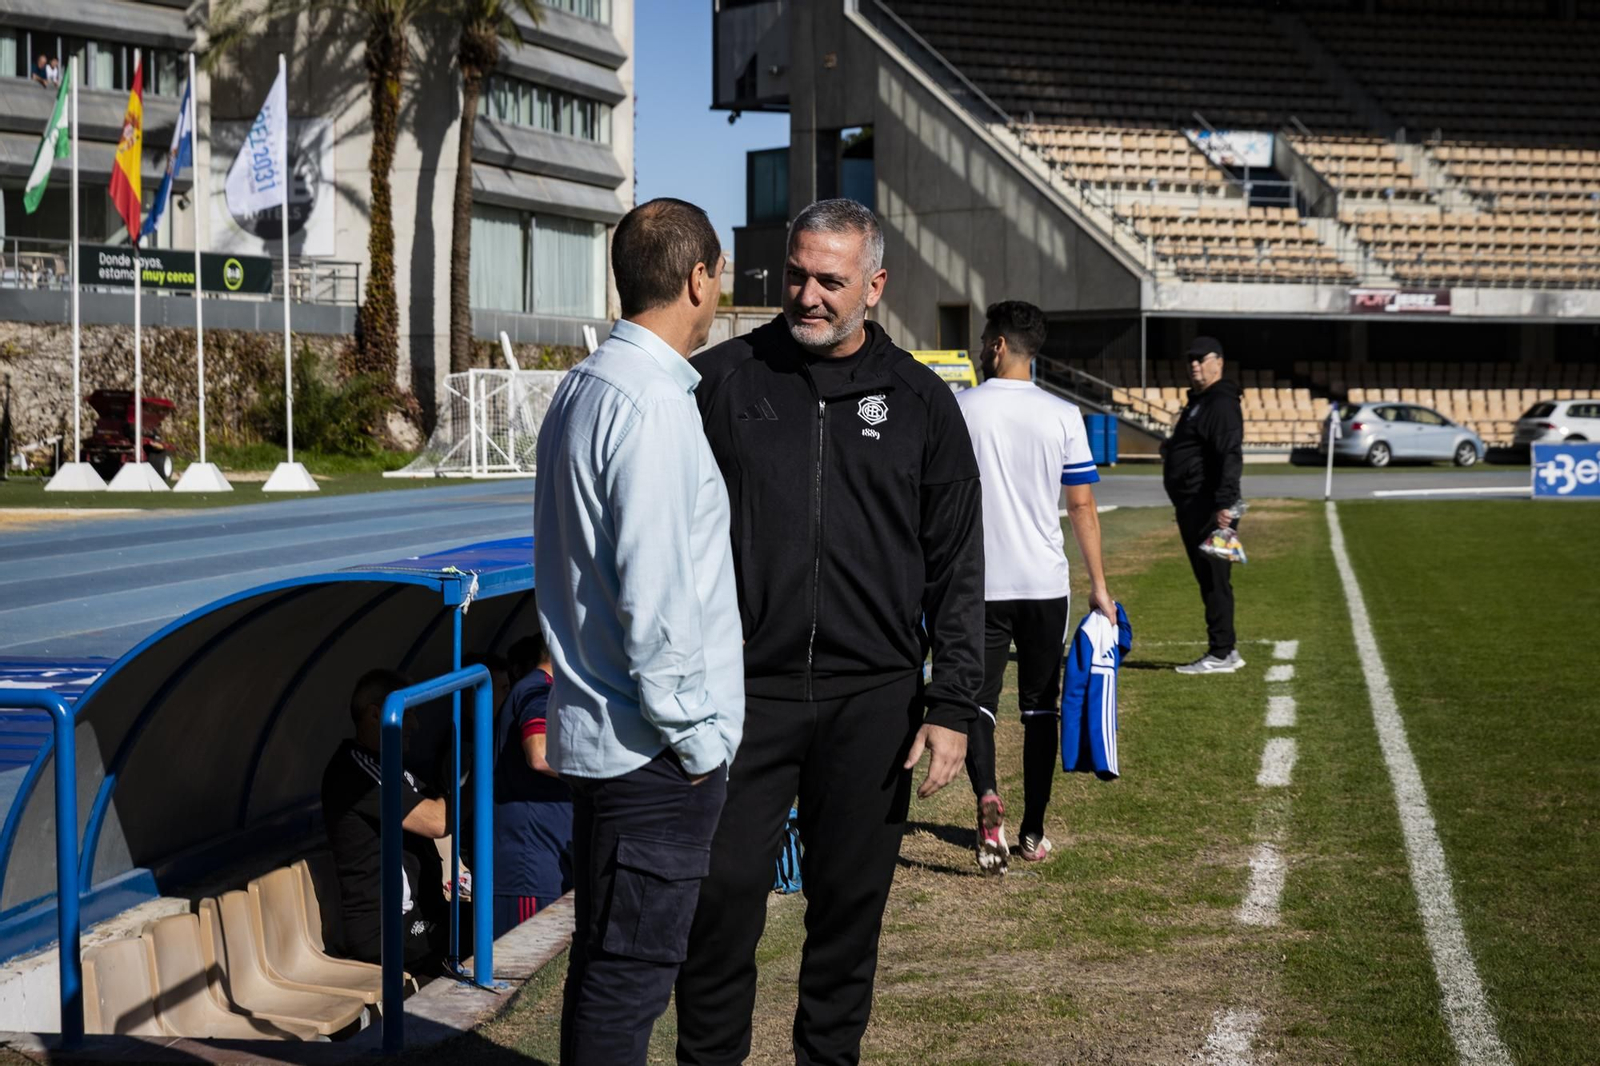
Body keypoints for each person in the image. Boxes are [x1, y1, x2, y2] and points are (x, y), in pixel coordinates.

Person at [677, 198, 984, 1066]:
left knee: (848, 912)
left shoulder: (923, 403)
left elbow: (960, 563)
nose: (807, 296)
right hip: (744, 693)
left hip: (874, 701)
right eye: (796, 276)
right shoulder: (723, 383)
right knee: (721, 898)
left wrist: (953, 703)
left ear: (875, 286)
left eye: (830, 281)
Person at [533, 198, 742, 1066]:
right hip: (652, 751)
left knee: (606, 973)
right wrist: (698, 743)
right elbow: (656, 605)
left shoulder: (585, 385)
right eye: (719, 276)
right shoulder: (651, 404)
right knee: (628, 985)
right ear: (699, 277)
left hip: (609, 737)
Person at [957, 300, 1116, 875]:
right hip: (1043, 584)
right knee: (1039, 709)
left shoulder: (962, 408)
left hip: (979, 583)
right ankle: (1031, 831)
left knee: (978, 700)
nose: (980, 349)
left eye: (982, 339)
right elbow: (1081, 506)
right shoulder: (1063, 414)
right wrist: (1099, 585)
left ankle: (986, 799)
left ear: (998, 346)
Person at [320, 668, 452, 968]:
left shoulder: (389, 764)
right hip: (386, 927)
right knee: (472, 940)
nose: (415, 726)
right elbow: (436, 821)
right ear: (375, 715)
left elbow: (436, 800)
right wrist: (475, 785)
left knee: (486, 921)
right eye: (408, 714)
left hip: (418, 913)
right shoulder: (354, 771)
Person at [1162, 335, 1246, 674]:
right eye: (1190, 359)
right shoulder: (1200, 400)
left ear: (1219, 362)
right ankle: (1226, 649)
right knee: (1209, 579)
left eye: (1202, 358)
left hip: (1212, 509)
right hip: (1193, 505)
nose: (1195, 364)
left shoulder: (1221, 402)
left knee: (1215, 579)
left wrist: (1225, 504)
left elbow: (1230, 453)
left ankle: (1222, 652)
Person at [489, 633, 572, 937]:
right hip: (529, 867)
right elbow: (539, 753)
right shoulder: (538, 689)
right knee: (523, 977)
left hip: (546, 859)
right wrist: (603, 771)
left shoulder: (549, 691)